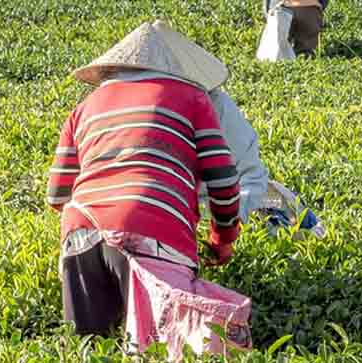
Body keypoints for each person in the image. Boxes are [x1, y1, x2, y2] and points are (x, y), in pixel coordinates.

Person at [46, 21, 251, 358]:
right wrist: (222, 239)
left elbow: (56, 196)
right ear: (180, 69)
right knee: (162, 349)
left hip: (80, 233)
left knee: (87, 350)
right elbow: (223, 180)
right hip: (153, 232)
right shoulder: (192, 98)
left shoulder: (84, 108)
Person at [206, 89, 326, 240]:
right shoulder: (216, 103)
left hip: (237, 202)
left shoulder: (218, 104)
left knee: (283, 210)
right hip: (205, 208)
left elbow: (250, 174)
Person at [264, 0, 329, 55]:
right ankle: (305, 54)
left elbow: (267, 4)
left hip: (282, 8)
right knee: (306, 50)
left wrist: (269, 13)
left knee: (276, 50)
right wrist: (320, 6)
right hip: (311, 8)